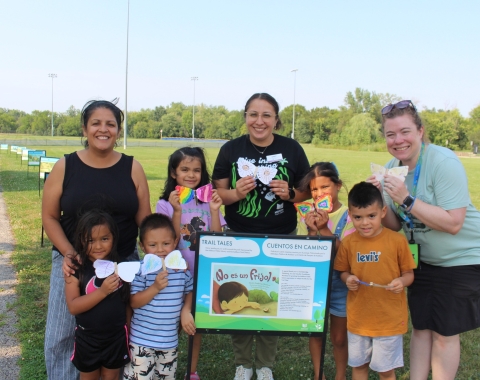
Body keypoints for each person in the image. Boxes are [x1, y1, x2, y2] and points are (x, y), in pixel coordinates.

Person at [367, 100, 480, 380]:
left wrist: (405, 198)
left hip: (459, 259)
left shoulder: (443, 161)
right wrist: (380, 201)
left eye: (405, 132)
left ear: (420, 131)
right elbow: (395, 225)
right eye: (390, 135)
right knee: (421, 328)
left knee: (444, 334)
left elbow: (453, 223)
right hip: (423, 260)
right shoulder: (393, 167)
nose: (398, 140)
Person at [42, 99, 151, 380]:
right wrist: (69, 253)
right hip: (73, 262)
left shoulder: (132, 168)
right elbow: (50, 217)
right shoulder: (65, 166)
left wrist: (162, 242)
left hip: (123, 262)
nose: (104, 130)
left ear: (118, 129)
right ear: (85, 127)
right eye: (96, 123)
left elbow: (144, 219)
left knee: (122, 328)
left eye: (111, 124)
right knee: (62, 335)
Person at [212, 93, 311, 380]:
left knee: (271, 297)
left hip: (281, 235)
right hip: (238, 236)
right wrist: (238, 192)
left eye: (266, 115)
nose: (259, 121)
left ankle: (265, 364)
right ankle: (243, 363)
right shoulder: (231, 150)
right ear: (245, 117)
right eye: (253, 114)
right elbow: (218, 195)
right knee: (239, 297)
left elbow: (307, 191)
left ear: (276, 119)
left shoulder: (291, 148)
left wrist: (290, 193)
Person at [156, 146, 225, 380]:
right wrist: (177, 210)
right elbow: (169, 242)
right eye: (184, 169)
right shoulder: (164, 205)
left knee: (194, 328)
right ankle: (163, 367)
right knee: (171, 325)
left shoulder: (207, 202)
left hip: (203, 274)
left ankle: (191, 371)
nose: (191, 175)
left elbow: (218, 239)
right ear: (173, 173)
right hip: (175, 276)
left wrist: (215, 210)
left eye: (197, 170)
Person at [334, 182, 415, 380]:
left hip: (388, 321)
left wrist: (401, 282)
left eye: (371, 216)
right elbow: (342, 271)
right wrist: (348, 278)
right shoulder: (349, 243)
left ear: (383, 212)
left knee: (385, 371)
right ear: (350, 216)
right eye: (357, 217)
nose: (364, 223)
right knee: (359, 366)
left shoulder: (397, 241)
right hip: (358, 320)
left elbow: (409, 274)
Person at [297, 162, 355, 380]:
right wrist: (311, 230)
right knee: (316, 332)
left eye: (325, 187)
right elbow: (303, 251)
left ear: (338, 185)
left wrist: (323, 228)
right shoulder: (305, 213)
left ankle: (340, 375)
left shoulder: (350, 215)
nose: (319, 193)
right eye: (314, 189)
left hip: (341, 281)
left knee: (339, 337)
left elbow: (346, 255)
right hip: (314, 281)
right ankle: (318, 374)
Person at [124, 213, 195, 380]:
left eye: (166, 243)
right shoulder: (141, 271)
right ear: (142, 246)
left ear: (175, 242)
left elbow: (190, 290)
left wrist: (186, 310)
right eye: (152, 245)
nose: (160, 250)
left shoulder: (180, 269)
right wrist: (155, 287)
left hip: (169, 343)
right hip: (141, 342)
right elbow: (134, 302)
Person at [65, 209, 131, 380]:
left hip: (116, 336)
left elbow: (128, 303)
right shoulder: (76, 269)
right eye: (90, 240)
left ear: (114, 238)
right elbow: (73, 306)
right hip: (87, 338)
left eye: (104, 239)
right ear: (80, 240)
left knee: (111, 376)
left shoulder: (121, 266)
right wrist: (102, 292)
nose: (98, 246)